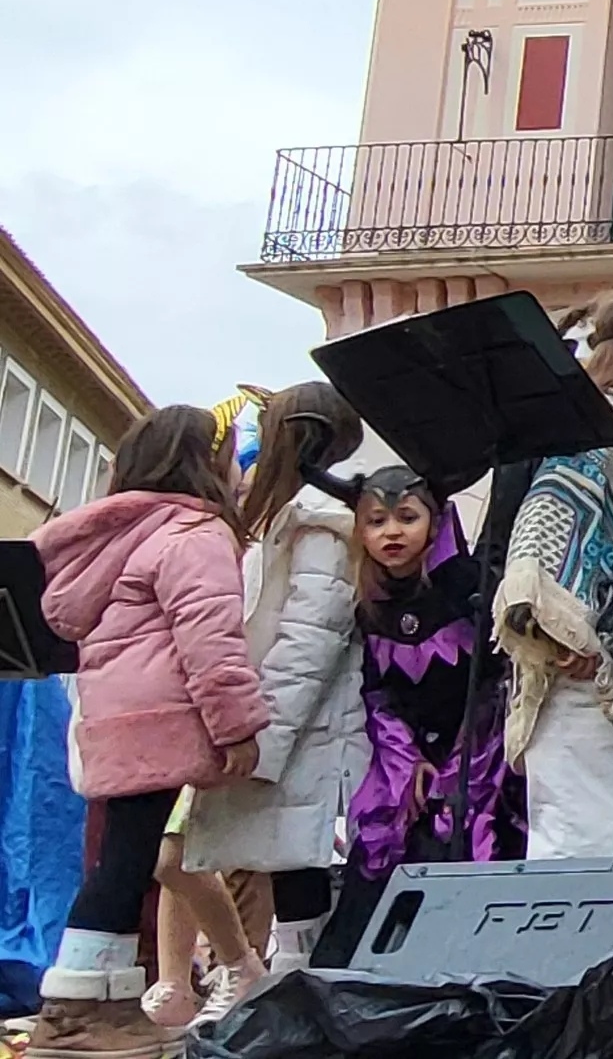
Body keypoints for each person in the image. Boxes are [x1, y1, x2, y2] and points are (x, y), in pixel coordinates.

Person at [29, 406, 275, 1058]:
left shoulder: (119, 538)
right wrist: (238, 726)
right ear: (205, 461)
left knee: (127, 862)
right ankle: (72, 1012)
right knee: (125, 867)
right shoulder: (194, 533)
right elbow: (211, 641)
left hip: (112, 719)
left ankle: (103, 1004)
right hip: (163, 722)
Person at [184, 385, 369, 988]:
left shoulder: (323, 517)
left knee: (299, 864)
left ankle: (298, 993)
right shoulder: (287, 514)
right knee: (284, 860)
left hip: (302, 726)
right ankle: (291, 987)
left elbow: (310, 637)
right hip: (281, 720)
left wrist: (261, 734)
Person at [498, 284, 613, 864]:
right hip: (585, 679)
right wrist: (561, 636)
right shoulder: (602, 436)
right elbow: (540, 535)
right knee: (579, 854)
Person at [348, 469, 523, 882]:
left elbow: (493, 684)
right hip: (408, 765)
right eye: (376, 522)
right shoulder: (369, 606)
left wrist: (462, 762)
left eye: (407, 518)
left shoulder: (468, 586)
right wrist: (408, 762)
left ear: (436, 522)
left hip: (482, 762)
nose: (392, 532)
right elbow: (378, 696)